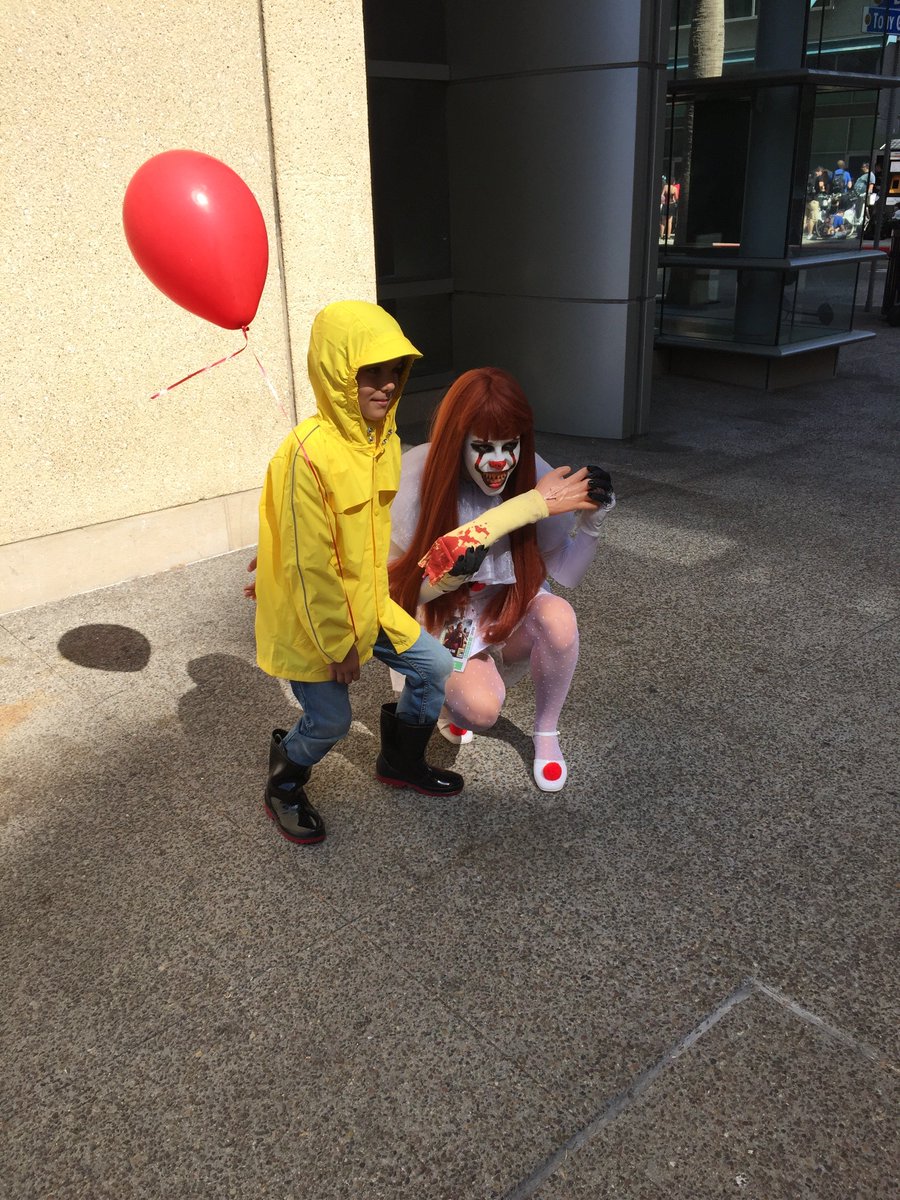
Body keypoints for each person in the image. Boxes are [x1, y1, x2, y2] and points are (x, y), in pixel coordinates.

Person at [252, 301, 463, 845]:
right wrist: (338, 646)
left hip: (369, 604)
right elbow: (310, 567)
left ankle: (400, 761)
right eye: (371, 371)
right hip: (315, 625)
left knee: (435, 665)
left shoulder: (383, 441)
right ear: (337, 373)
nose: (387, 384)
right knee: (331, 722)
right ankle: (284, 782)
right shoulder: (305, 455)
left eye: (395, 370)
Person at [388, 367, 616, 793]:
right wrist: (442, 583)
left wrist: (591, 525)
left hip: (507, 606)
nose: (498, 462)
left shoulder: (533, 476)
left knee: (559, 617)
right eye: (482, 446)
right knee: (478, 710)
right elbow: (394, 595)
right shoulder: (416, 479)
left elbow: (567, 573)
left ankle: (546, 730)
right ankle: (450, 699)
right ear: (457, 441)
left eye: (509, 445)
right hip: (448, 618)